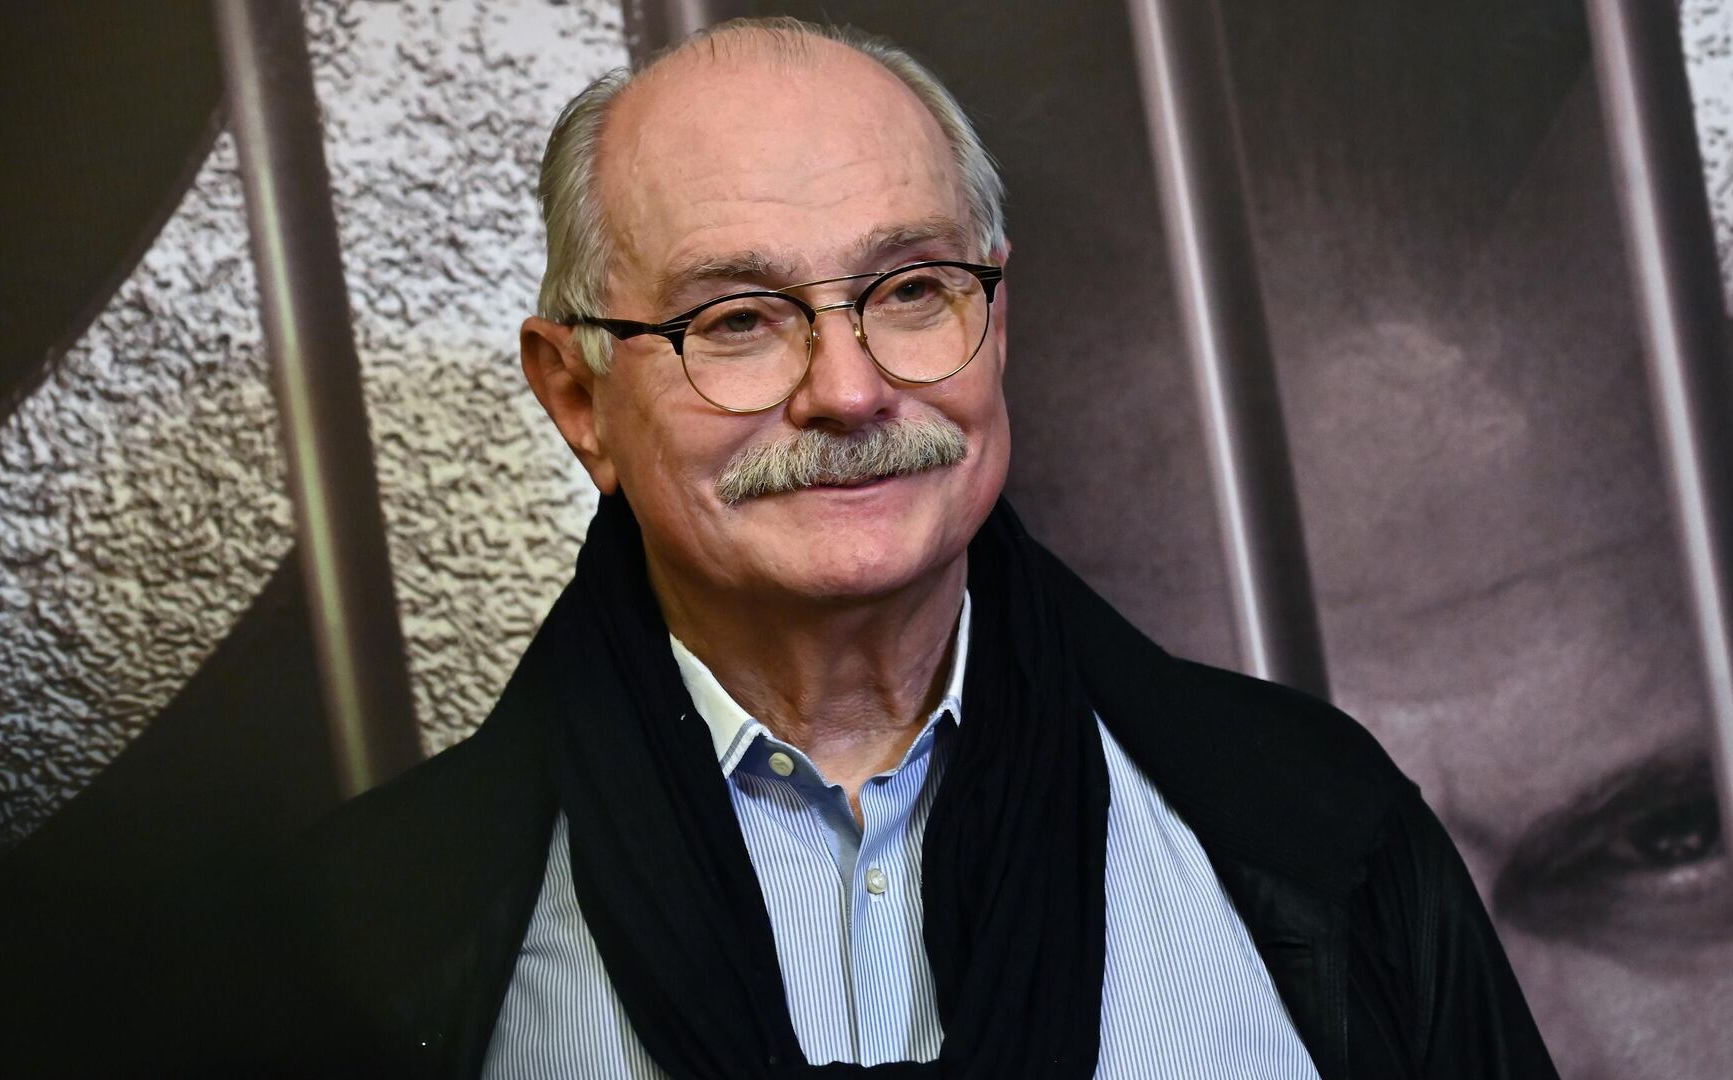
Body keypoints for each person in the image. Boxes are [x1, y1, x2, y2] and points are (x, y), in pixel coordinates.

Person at [235, 17, 1556, 1078]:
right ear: (578, 398)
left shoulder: (1317, 833)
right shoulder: (362, 950)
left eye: (914, 291)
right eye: (738, 319)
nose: (851, 391)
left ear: (997, 323)